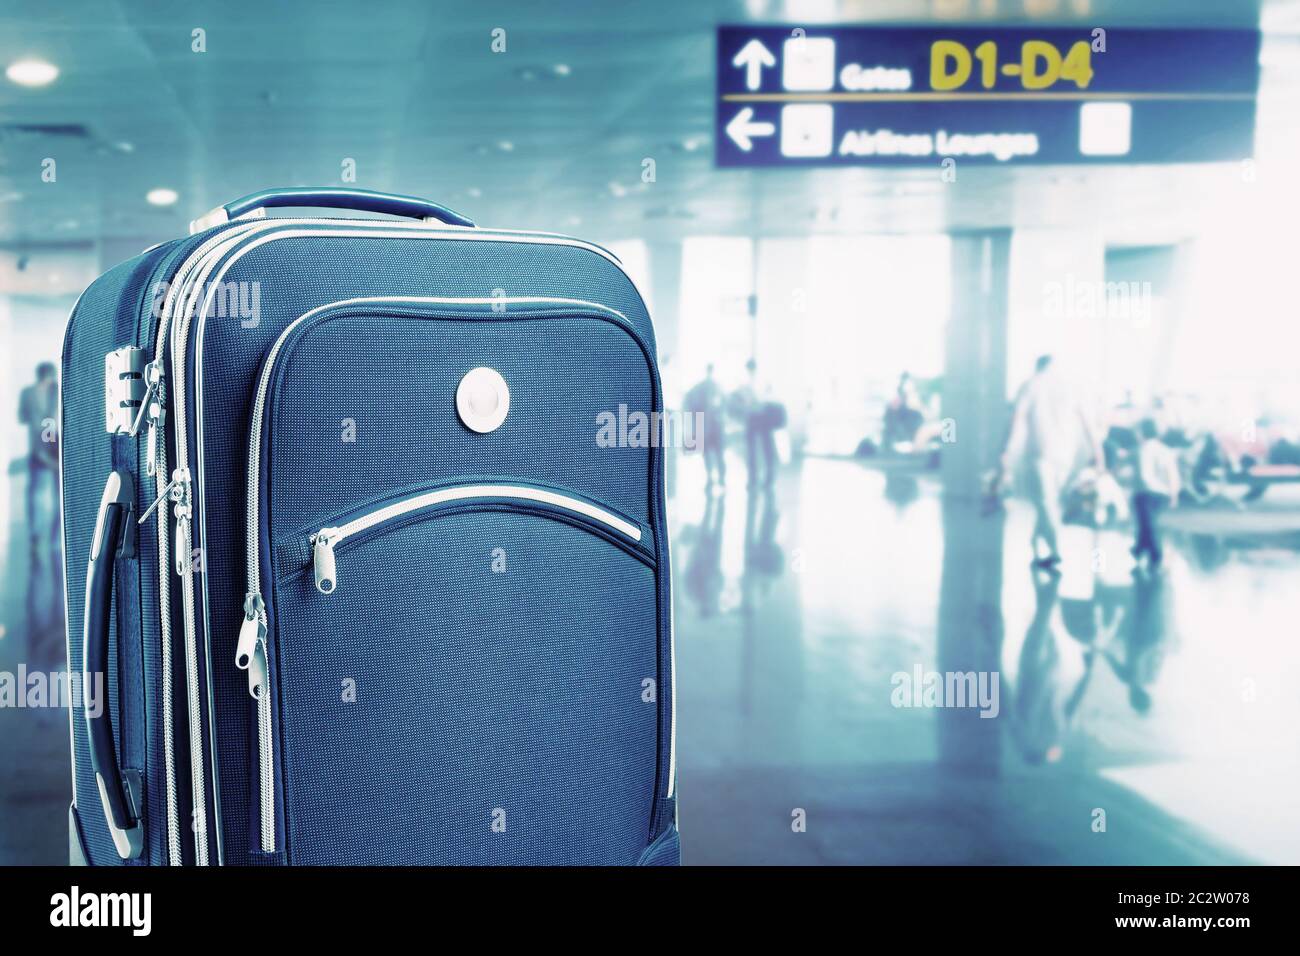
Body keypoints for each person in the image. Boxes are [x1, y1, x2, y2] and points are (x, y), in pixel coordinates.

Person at [998, 355, 1104, 571]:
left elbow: (1017, 418)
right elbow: (1088, 423)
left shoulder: (1031, 384)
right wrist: (1098, 453)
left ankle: (1055, 552)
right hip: (1067, 455)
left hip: (1040, 452)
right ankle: (1037, 546)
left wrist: (1007, 450)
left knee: (1045, 503)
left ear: (1037, 365)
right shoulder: (1073, 386)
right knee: (1049, 503)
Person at [1131, 418, 1180, 569]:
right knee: (1149, 522)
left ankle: (1154, 553)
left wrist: (1142, 488)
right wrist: (1174, 494)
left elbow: (1144, 474)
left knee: (1147, 524)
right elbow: (1173, 474)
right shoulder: (1166, 450)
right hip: (1162, 493)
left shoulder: (1142, 449)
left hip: (1145, 493)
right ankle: (1139, 548)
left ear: (1142, 432)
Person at [684, 363, 726, 488]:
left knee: (712, 453)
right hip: (714, 426)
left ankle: (713, 478)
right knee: (715, 454)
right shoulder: (716, 387)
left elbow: (691, 402)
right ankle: (717, 479)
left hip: (709, 427)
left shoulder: (705, 387)